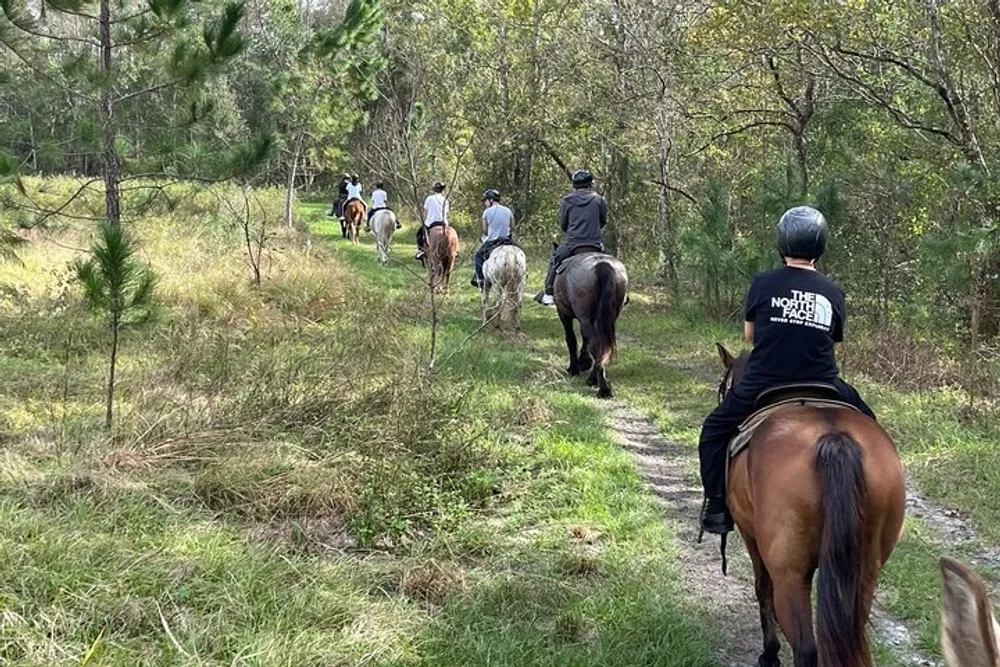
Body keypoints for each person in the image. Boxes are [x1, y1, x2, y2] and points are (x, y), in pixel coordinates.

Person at [698, 205, 877, 536]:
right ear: (820, 246)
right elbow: (830, 340)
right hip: (824, 382)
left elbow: (750, 336)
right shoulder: (832, 291)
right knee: (873, 430)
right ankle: (878, 502)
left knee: (713, 431)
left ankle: (718, 508)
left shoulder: (763, 282)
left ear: (781, 244)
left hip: (765, 381)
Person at [534, 169, 608, 306]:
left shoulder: (567, 200)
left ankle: (549, 293)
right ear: (590, 184)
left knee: (555, 260)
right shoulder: (599, 200)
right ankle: (622, 293)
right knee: (613, 262)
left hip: (573, 244)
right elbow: (603, 221)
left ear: (574, 185)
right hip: (595, 244)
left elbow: (564, 224)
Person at [471, 189, 514, 288]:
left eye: (485, 201)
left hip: (493, 242)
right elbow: (512, 227)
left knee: (478, 256)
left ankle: (480, 280)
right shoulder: (508, 210)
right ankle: (524, 273)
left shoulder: (486, 212)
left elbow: (485, 230)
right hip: (507, 241)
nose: (485, 203)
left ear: (491, 200)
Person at [415, 181, 449, 261]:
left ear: (434, 190)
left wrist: (424, 219)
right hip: (443, 222)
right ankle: (455, 250)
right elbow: (446, 213)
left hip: (431, 222)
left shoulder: (429, 198)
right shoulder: (445, 200)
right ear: (442, 190)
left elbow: (425, 212)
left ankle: (421, 250)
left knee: (419, 234)